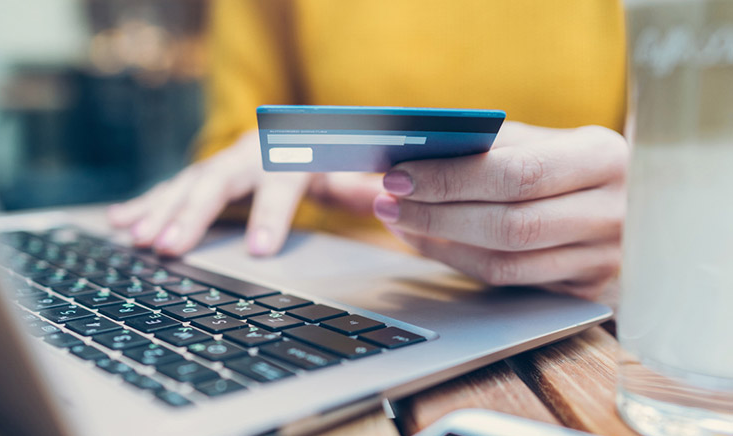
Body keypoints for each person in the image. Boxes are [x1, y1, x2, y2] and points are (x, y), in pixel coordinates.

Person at [107, 0, 629, 299]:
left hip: (576, 305)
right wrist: (254, 156)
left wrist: (644, 219)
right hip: (318, 287)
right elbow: (234, 141)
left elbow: (685, 174)